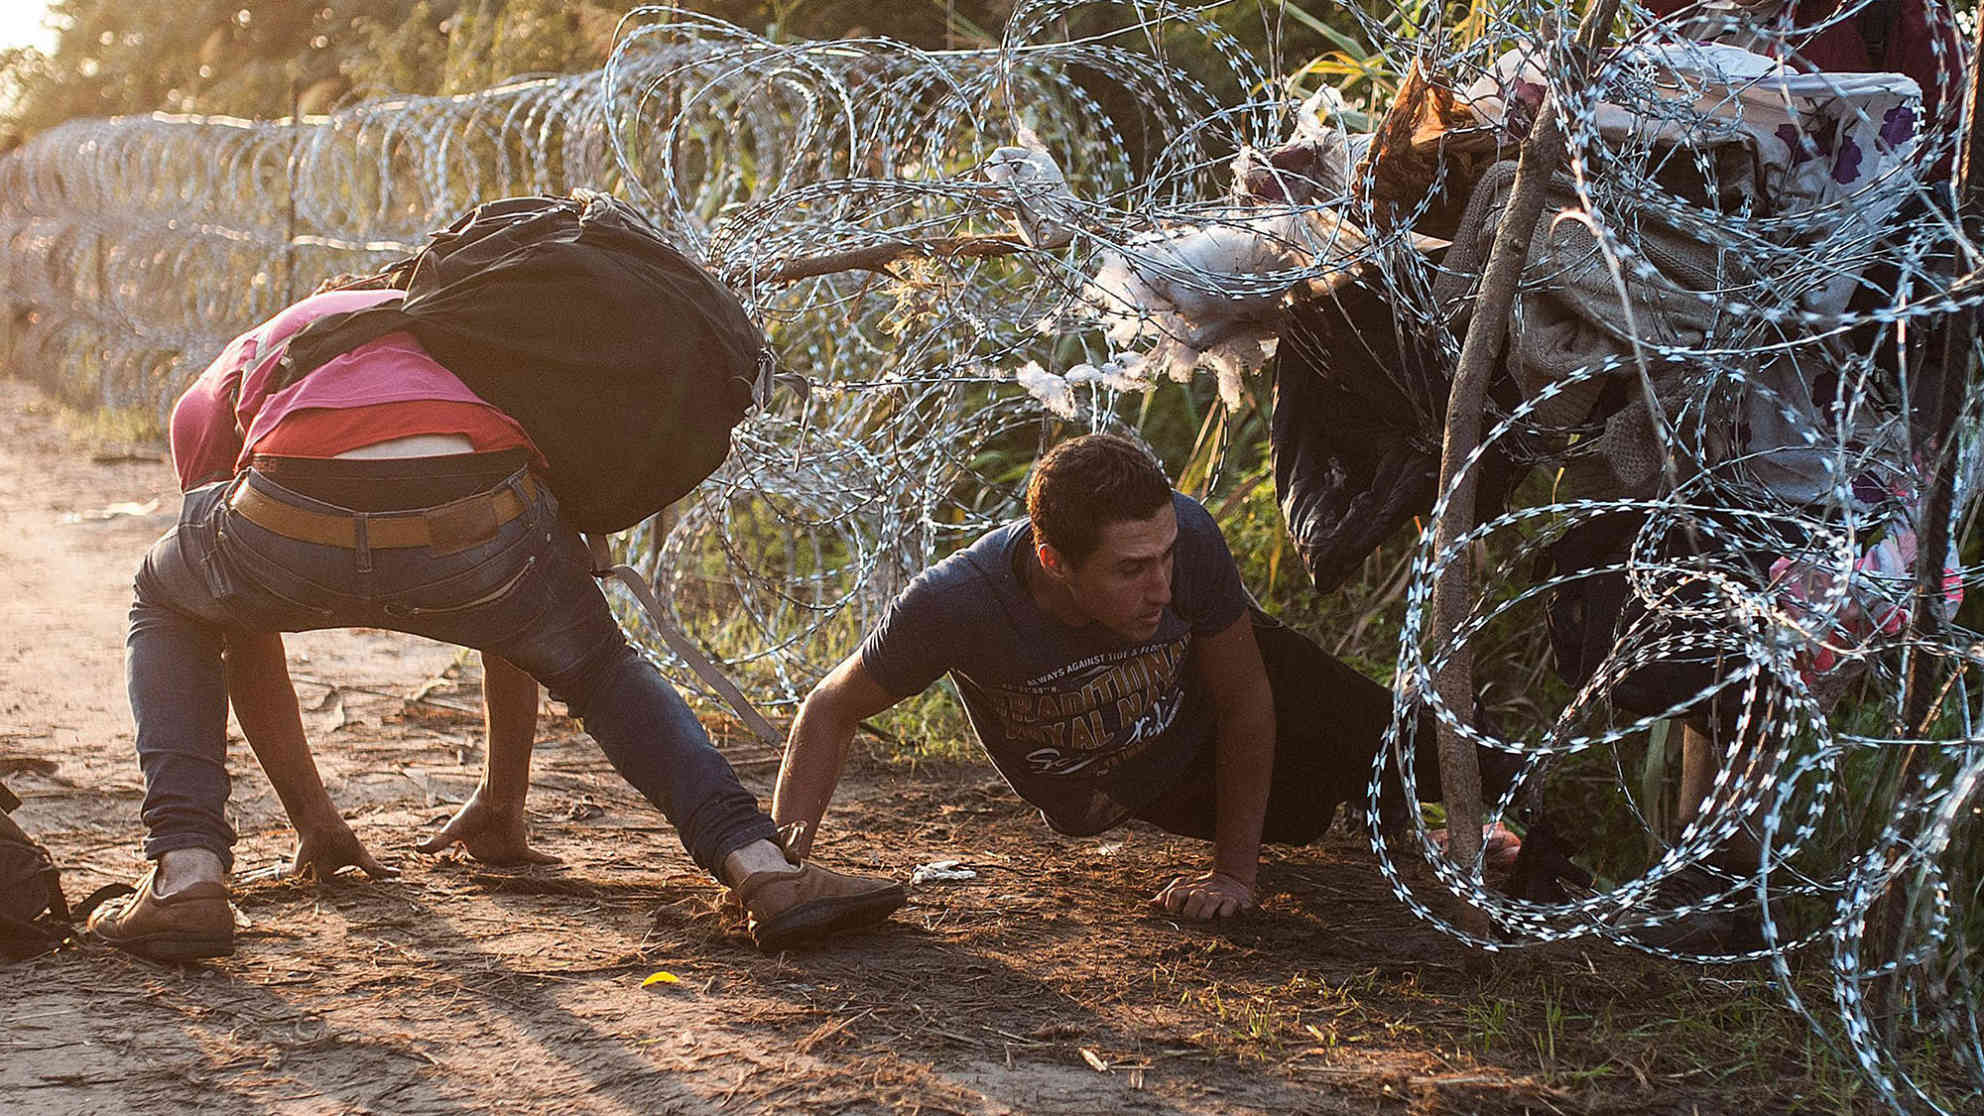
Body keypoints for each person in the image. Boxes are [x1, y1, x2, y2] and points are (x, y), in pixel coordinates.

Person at [88, 283, 905, 960]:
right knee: (600, 667)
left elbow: (239, 630)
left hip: (291, 500)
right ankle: (762, 866)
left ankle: (187, 873)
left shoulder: (229, 375)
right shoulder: (460, 328)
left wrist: (315, 819)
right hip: (479, 510)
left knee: (170, 597)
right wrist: (503, 802)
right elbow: (521, 614)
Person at [774, 433, 1451, 922]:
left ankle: (1479, 790)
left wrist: (1232, 877)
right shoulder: (956, 603)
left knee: (1295, 671)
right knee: (1303, 814)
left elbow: (1246, 699)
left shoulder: (1187, 539)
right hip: (1128, 785)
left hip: (1203, 717)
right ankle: (1385, 803)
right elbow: (830, 708)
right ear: (1054, 561)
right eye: (1131, 569)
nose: (1162, 588)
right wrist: (780, 872)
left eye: (1166, 555)